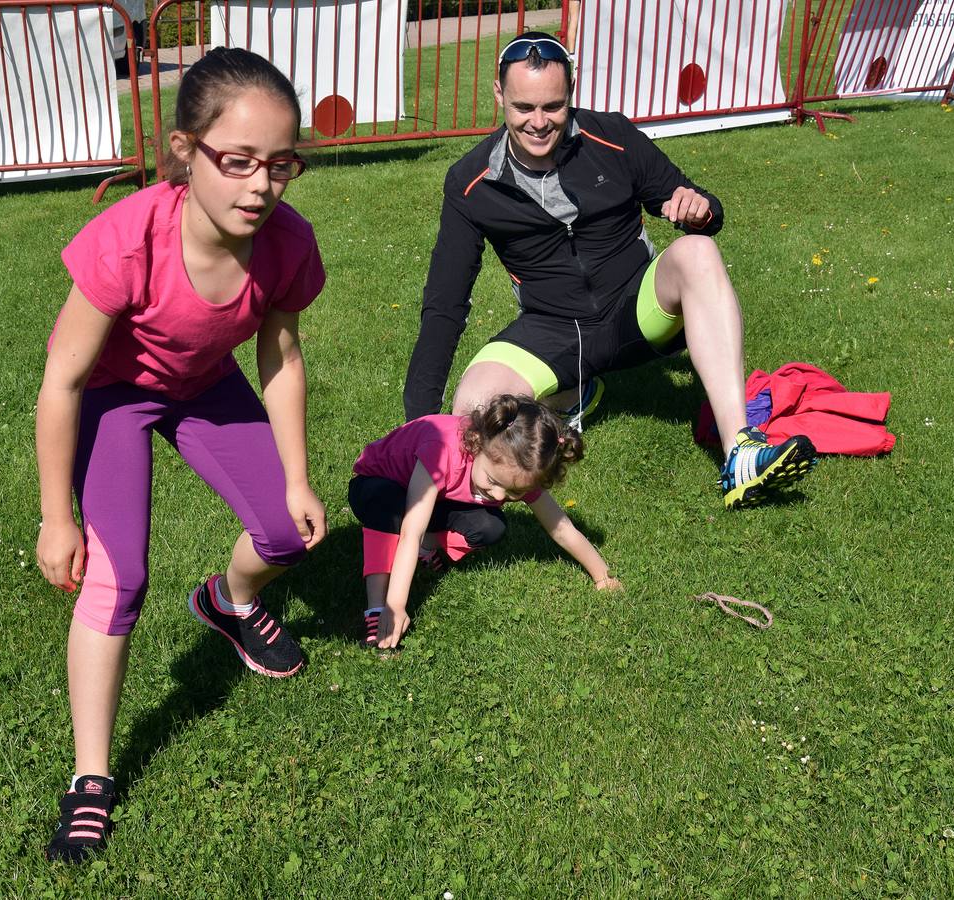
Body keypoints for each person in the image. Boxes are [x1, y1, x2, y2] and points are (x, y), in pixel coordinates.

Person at [35, 47, 327, 863]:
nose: (259, 186)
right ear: (183, 151)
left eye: (279, 164)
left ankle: (227, 603)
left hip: (204, 386)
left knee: (286, 533)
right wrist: (58, 518)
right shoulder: (126, 240)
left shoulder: (285, 242)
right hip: (111, 397)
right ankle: (91, 779)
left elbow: (281, 355)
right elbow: (60, 383)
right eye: (236, 162)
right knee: (118, 575)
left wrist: (297, 478)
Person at [402, 32, 817, 510]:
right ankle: (568, 397)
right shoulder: (470, 181)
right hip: (552, 328)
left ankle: (740, 451)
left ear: (572, 91)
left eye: (553, 106)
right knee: (473, 411)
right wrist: (418, 426)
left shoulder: (612, 136)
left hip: (635, 311)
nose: (539, 122)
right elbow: (445, 304)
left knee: (698, 252)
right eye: (523, 108)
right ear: (499, 96)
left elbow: (696, 202)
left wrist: (700, 211)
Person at [349, 394, 622, 650]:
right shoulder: (442, 449)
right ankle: (376, 608)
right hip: (377, 486)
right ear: (477, 443)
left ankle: (426, 549)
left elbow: (561, 528)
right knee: (390, 509)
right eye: (493, 481)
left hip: (435, 498)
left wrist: (602, 576)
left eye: (514, 492)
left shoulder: (519, 468)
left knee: (491, 526)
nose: (500, 495)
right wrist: (395, 604)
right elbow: (411, 529)